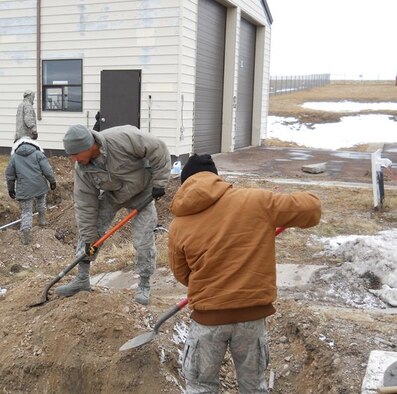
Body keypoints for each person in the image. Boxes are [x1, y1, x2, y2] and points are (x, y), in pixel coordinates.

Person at [168, 153, 322, 393]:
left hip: (208, 319)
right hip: (251, 318)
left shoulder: (179, 224)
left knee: (200, 386)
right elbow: (312, 208)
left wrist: (210, 280)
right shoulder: (255, 201)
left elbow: (182, 274)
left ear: (185, 184)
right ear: (216, 178)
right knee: (254, 386)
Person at [55, 124, 171, 305]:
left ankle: (144, 284)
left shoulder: (122, 138)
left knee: (143, 240)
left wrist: (160, 182)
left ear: (88, 146)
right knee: (89, 235)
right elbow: (85, 206)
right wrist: (88, 238)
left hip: (143, 194)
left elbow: (159, 148)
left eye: (76, 154)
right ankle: (82, 278)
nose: (73, 160)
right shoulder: (82, 169)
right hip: (113, 195)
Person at [5, 137, 57, 245]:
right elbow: (47, 170)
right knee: (41, 203)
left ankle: (26, 234)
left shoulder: (14, 157)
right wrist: (52, 181)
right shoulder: (38, 154)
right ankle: (42, 221)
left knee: (26, 211)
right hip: (39, 185)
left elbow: (10, 175)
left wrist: (11, 189)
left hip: (24, 188)